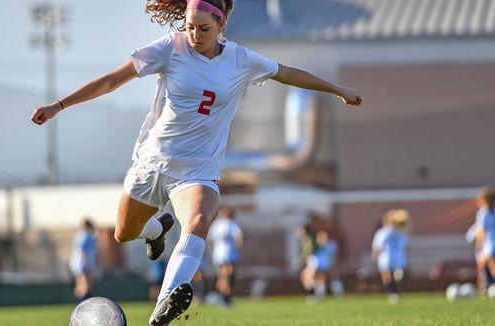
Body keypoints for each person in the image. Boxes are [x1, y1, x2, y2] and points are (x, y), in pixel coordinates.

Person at [31, 0, 362, 323]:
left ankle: (165, 303)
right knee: (122, 233)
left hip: (197, 170)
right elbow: (111, 80)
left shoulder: (240, 60)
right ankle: (156, 230)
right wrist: (59, 105)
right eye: (189, 27)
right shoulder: (170, 48)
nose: (195, 35)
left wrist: (337, 89)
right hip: (153, 163)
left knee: (200, 218)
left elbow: (288, 73)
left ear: (221, 26)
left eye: (203, 29)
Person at [371, 209, 410, 304]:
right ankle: (397, 274)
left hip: (386, 256)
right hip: (399, 256)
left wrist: (374, 256)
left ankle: (392, 293)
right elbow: (405, 244)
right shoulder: (401, 232)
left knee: (386, 275)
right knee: (395, 275)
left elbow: (377, 246)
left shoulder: (383, 232)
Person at [208, 207, 243, 306]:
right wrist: (238, 248)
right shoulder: (232, 224)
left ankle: (221, 295)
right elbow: (239, 237)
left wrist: (214, 249)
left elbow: (211, 239)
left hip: (218, 253)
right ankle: (225, 296)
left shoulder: (217, 224)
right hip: (230, 252)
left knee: (221, 276)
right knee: (228, 275)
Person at [300, 230, 339, 302]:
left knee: (313, 277)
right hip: (319, 265)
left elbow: (332, 257)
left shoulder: (330, 246)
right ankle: (317, 295)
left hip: (324, 265)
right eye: (319, 238)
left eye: (322, 237)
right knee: (318, 279)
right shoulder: (317, 247)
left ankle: (314, 295)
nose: (320, 239)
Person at [70, 218, 99, 303]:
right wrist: (84, 260)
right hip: (82, 264)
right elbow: (80, 248)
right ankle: (83, 304)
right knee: (85, 285)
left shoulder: (82, 235)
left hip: (80, 263)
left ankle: (79, 304)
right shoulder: (85, 235)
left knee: (81, 285)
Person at [473, 187, 495, 294]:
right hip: (491, 243)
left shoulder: (484, 213)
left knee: (484, 264)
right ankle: (487, 287)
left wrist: (478, 246)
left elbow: (481, 232)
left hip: (491, 243)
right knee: (489, 264)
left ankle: (485, 287)